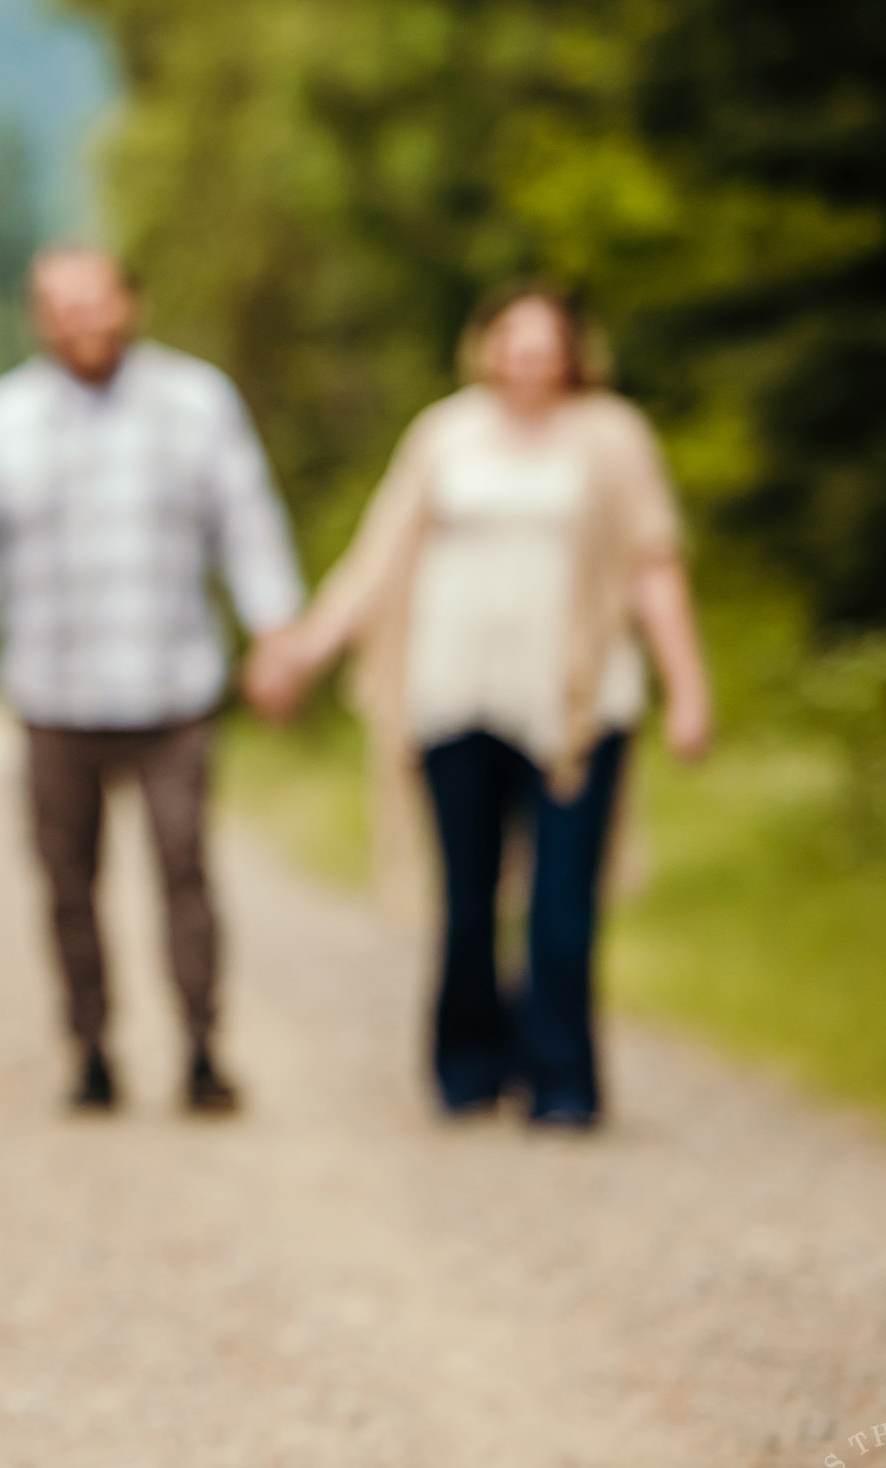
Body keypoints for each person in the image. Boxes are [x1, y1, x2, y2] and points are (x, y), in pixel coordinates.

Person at [244, 280, 713, 1128]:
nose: (529, 359)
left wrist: (689, 687)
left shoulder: (612, 437)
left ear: (574, 352)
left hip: (577, 707)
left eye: (546, 343)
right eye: (513, 340)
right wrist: (303, 651)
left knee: (563, 902)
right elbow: (378, 558)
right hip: (453, 697)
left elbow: (654, 565)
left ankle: (562, 1081)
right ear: (487, 348)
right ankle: (469, 1067)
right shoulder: (445, 433)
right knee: (466, 899)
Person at [0, 244, 306, 1114]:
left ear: (132, 302)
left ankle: (203, 1046)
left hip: (175, 688)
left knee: (185, 870)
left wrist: (277, 632)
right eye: (61, 304)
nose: (81, 318)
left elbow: (249, 523)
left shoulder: (197, 403)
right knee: (66, 880)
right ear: (39, 317)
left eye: (96, 300)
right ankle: (90, 1047)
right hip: (54, 695)